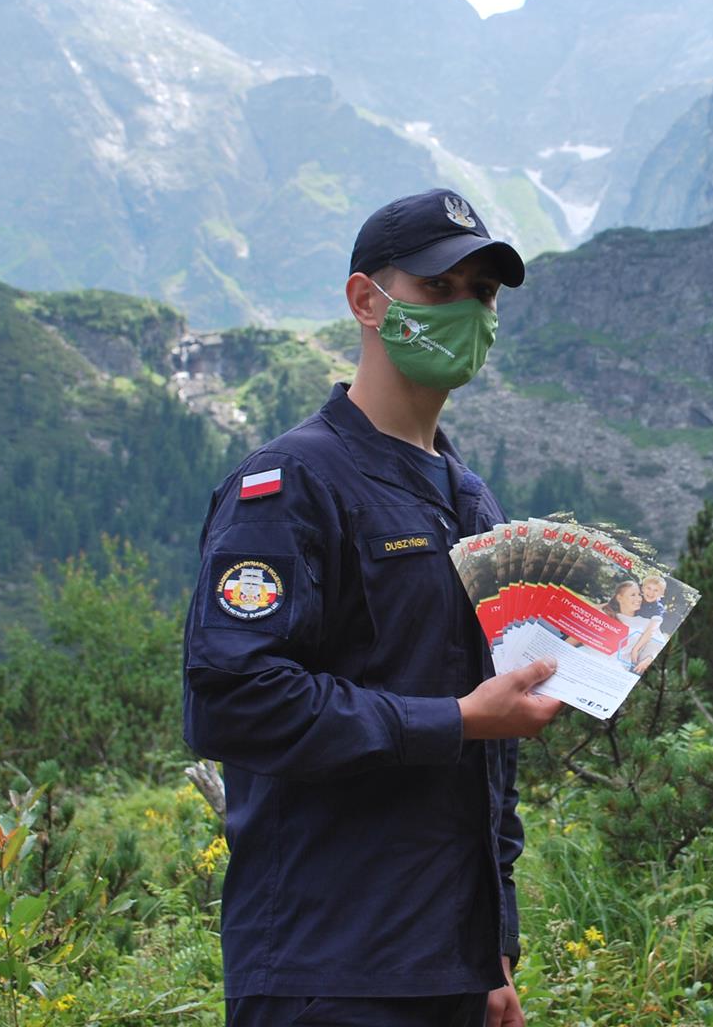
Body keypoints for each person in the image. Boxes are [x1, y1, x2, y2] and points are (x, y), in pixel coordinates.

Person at [183, 188, 565, 1027]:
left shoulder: (475, 505)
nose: (466, 311)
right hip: (325, 967)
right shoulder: (288, 485)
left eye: (482, 294)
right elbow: (234, 699)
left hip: (450, 970)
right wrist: (454, 719)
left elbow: (492, 762)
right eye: (439, 287)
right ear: (367, 300)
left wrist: (494, 947)